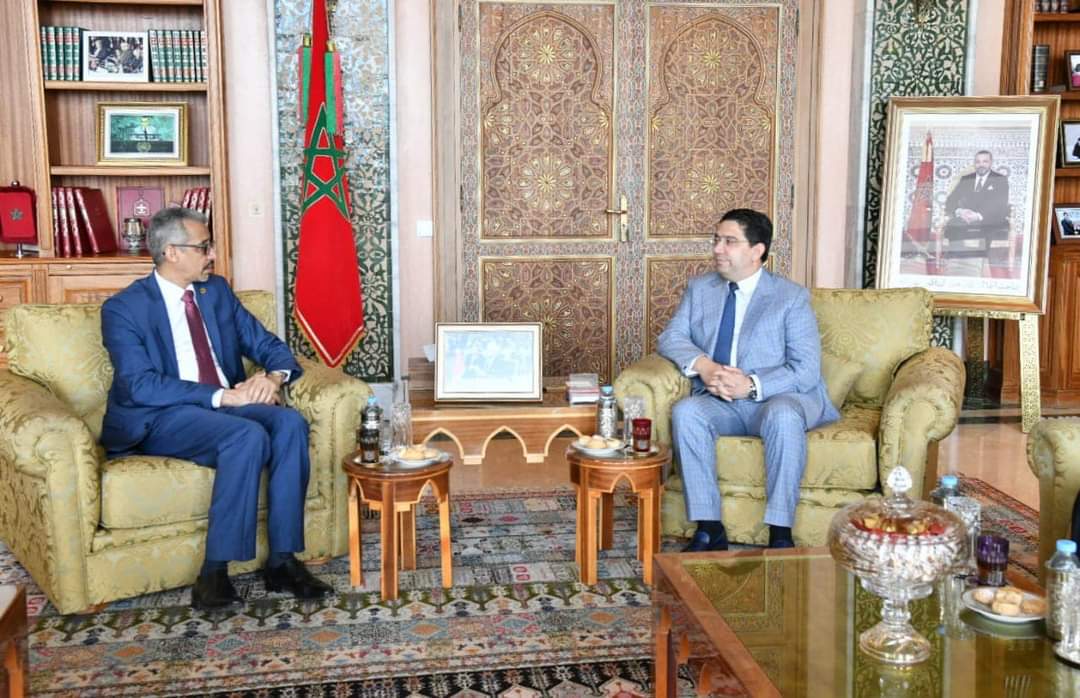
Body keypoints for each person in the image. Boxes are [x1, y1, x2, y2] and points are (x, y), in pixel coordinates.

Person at [99, 207, 332, 610]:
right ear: (171, 252)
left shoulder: (216, 292)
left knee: (290, 423)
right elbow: (139, 384)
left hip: (224, 407)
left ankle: (282, 561)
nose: (213, 255)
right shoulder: (124, 308)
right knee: (246, 434)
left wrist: (272, 378)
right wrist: (223, 397)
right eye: (204, 247)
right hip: (162, 416)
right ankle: (213, 573)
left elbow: (269, 346)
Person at [657, 208, 839, 551]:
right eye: (716, 240)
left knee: (783, 416)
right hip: (721, 401)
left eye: (729, 241)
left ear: (757, 250)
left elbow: (805, 369)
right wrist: (705, 367)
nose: (717, 249)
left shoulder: (790, 297)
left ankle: (780, 533)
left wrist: (751, 385)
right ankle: (709, 528)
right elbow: (671, 337)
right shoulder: (701, 288)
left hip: (775, 399)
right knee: (687, 412)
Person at [943, 150, 1010, 247]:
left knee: (988, 231)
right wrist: (961, 211)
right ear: (974, 163)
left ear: (991, 163)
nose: (981, 165)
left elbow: (1000, 204)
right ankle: (957, 255)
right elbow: (950, 200)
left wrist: (978, 215)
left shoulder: (1000, 179)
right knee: (953, 226)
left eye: (985, 161)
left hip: (988, 219)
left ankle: (982, 256)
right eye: (978, 162)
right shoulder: (966, 179)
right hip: (965, 218)